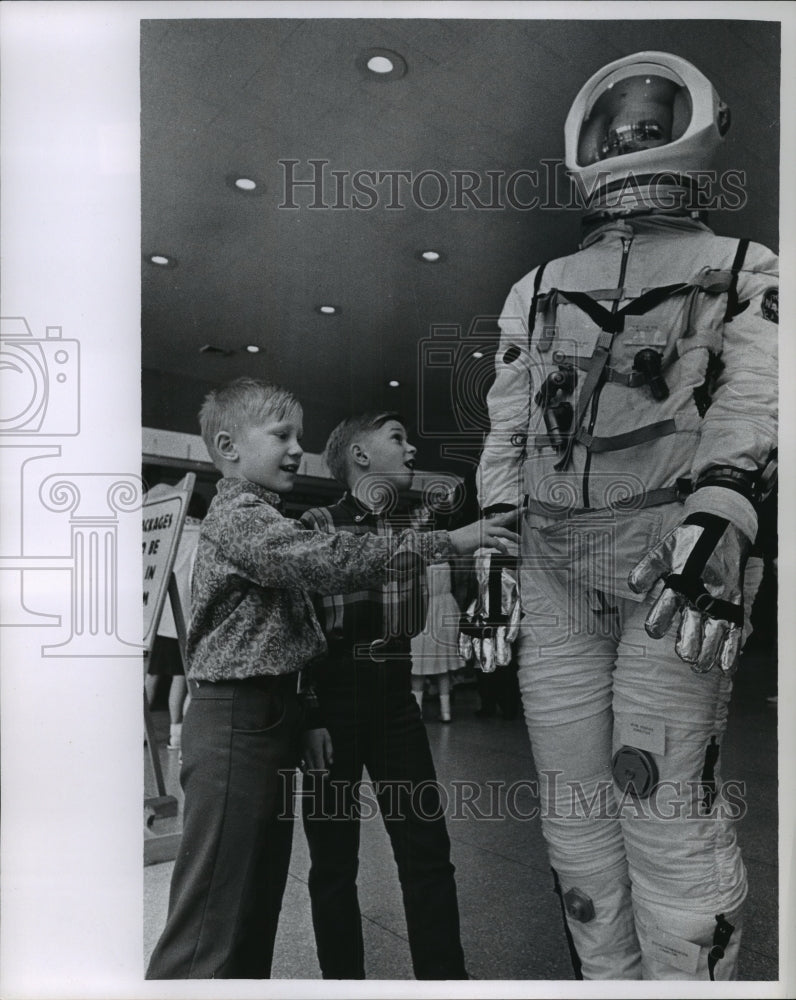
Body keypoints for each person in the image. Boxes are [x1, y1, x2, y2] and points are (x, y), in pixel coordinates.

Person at [472, 52, 777, 980]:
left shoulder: (742, 268)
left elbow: (756, 395)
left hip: (668, 566)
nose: (635, 132)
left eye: (653, 116)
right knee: (573, 804)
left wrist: (723, 506)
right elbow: (510, 421)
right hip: (554, 565)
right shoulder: (537, 287)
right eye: (622, 119)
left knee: (659, 795)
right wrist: (494, 538)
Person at [145, 379, 518, 979]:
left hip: (306, 712)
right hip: (263, 714)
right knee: (223, 904)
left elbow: (316, 619)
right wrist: (441, 543)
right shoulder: (263, 521)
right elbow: (329, 562)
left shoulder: (270, 516)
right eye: (283, 436)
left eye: (300, 437)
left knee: (254, 898)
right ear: (228, 446)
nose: (298, 449)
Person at [299, 412, 470, 980]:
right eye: (397, 437)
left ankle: (445, 983)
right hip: (332, 705)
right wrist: (310, 716)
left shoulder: (411, 528)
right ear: (360, 457)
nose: (413, 448)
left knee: (427, 855)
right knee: (332, 866)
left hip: (397, 703)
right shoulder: (318, 524)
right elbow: (300, 632)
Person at [144, 490, 207, 752]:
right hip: (185, 617)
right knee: (180, 679)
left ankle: (141, 732)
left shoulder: (169, 530)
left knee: (152, 676)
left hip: (158, 615)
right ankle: (175, 736)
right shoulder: (201, 535)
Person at [410, 561, 463, 722]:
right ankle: (446, 712)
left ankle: (417, 711)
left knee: (418, 667)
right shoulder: (447, 561)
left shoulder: (415, 564)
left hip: (421, 611)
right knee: (443, 666)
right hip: (446, 609)